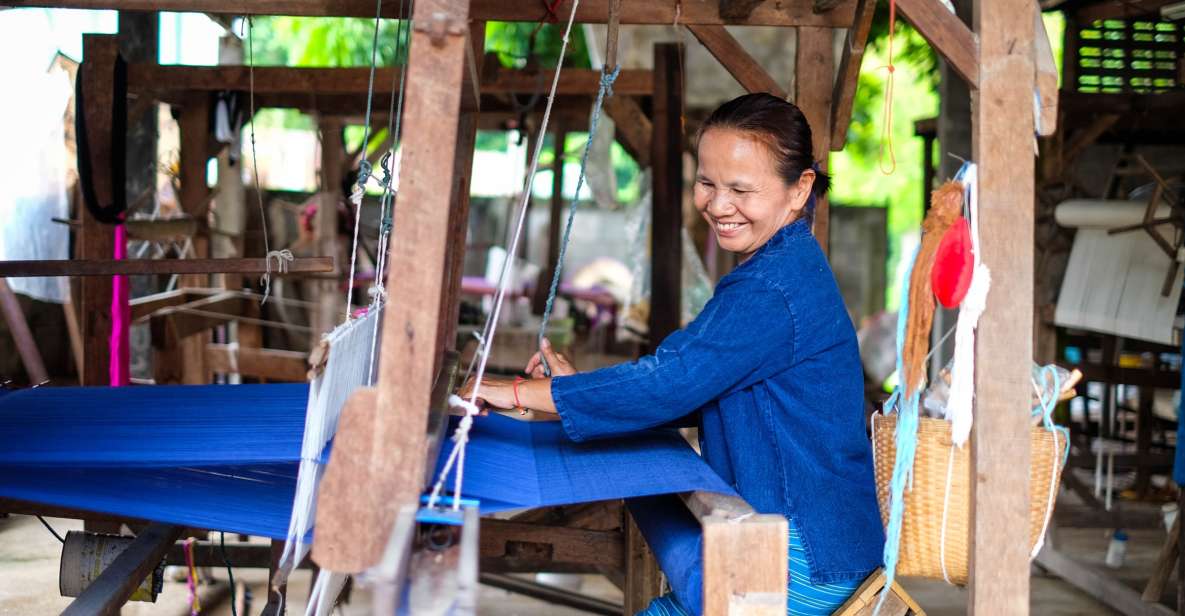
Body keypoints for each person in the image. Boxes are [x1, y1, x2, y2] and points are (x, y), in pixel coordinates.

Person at [459, 93, 884, 615]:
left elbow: (672, 382)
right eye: (707, 183)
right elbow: (695, 380)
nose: (718, 204)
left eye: (741, 189)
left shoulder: (773, 288)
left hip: (800, 559)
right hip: (806, 539)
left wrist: (526, 392)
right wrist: (567, 394)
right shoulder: (779, 269)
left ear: (800, 190)